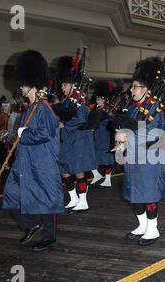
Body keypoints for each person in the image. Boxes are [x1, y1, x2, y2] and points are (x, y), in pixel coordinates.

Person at [3, 50, 64, 252]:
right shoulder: (30, 108)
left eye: (22, 83)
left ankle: (50, 237)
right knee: (12, 194)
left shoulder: (43, 107)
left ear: (32, 83)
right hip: (26, 162)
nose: (20, 86)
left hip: (42, 161)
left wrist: (24, 133)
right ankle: (30, 224)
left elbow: (46, 133)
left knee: (47, 200)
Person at [113, 56, 165, 246]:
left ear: (146, 88)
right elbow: (124, 127)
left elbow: (154, 133)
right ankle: (142, 225)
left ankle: (153, 228)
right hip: (133, 158)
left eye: (136, 86)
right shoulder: (132, 108)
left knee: (148, 194)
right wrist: (119, 139)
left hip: (150, 159)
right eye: (133, 86)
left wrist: (129, 137)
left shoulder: (155, 109)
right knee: (134, 194)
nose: (132, 90)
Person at [55, 55, 98, 213]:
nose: (62, 87)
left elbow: (81, 118)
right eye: (62, 85)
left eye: (65, 85)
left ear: (72, 84)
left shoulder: (80, 99)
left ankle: (83, 201)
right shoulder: (68, 100)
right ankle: (73, 198)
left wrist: (64, 124)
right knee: (65, 170)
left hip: (78, 139)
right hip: (68, 139)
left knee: (78, 170)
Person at [90, 80, 115, 188]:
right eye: (96, 98)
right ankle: (96, 174)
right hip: (97, 137)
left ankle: (108, 179)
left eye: (99, 98)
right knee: (91, 157)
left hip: (105, 136)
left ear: (104, 99)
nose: (97, 100)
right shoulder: (96, 110)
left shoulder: (108, 110)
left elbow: (113, 121)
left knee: (107, 159)